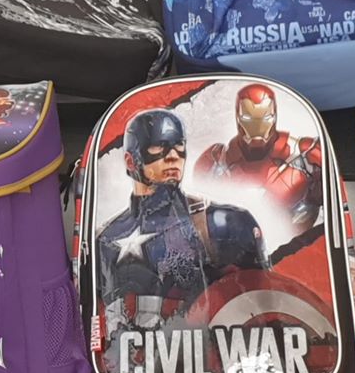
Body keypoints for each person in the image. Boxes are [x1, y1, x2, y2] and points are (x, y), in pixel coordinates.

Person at [95, 109, 265, 328]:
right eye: (159, 147)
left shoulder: (222, 224)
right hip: (128, 346)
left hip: (205, 345)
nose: (173, 156)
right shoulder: (106, 239)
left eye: (179, 146)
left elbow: (263, 312)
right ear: (131, 161)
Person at [194, 83, 324, 237]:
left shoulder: (307, 154)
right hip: (234, 247)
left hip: (299, 247)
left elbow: (340, 208)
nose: (258, 128)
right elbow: (193, 219)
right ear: (238, 117)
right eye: (249, 118)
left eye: (265, 118)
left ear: (274, 116)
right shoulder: (216, 161)